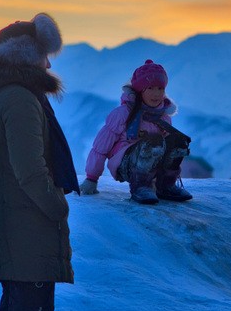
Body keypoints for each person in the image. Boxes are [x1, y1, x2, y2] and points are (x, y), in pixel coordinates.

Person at [0, 13, 77, 311]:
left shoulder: (4, 94)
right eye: (43, 56)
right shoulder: (21, 99)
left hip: (17, 223)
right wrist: (57, 207)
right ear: (29, 56)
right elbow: (30, 171)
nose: (48, 65)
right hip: (27, 228)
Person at [81, 59, 193, 204]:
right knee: (154, 141)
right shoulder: (123, 114)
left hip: (152, 162)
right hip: (126, 165)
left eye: (160, 89)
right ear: (140, 90)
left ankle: (166, 185)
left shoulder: (163, 116)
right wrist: (91, 178)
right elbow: (100, 148)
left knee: (178, 140)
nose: (156, 94)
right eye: (151, 88)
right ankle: (140, 186)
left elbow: (167, 149)